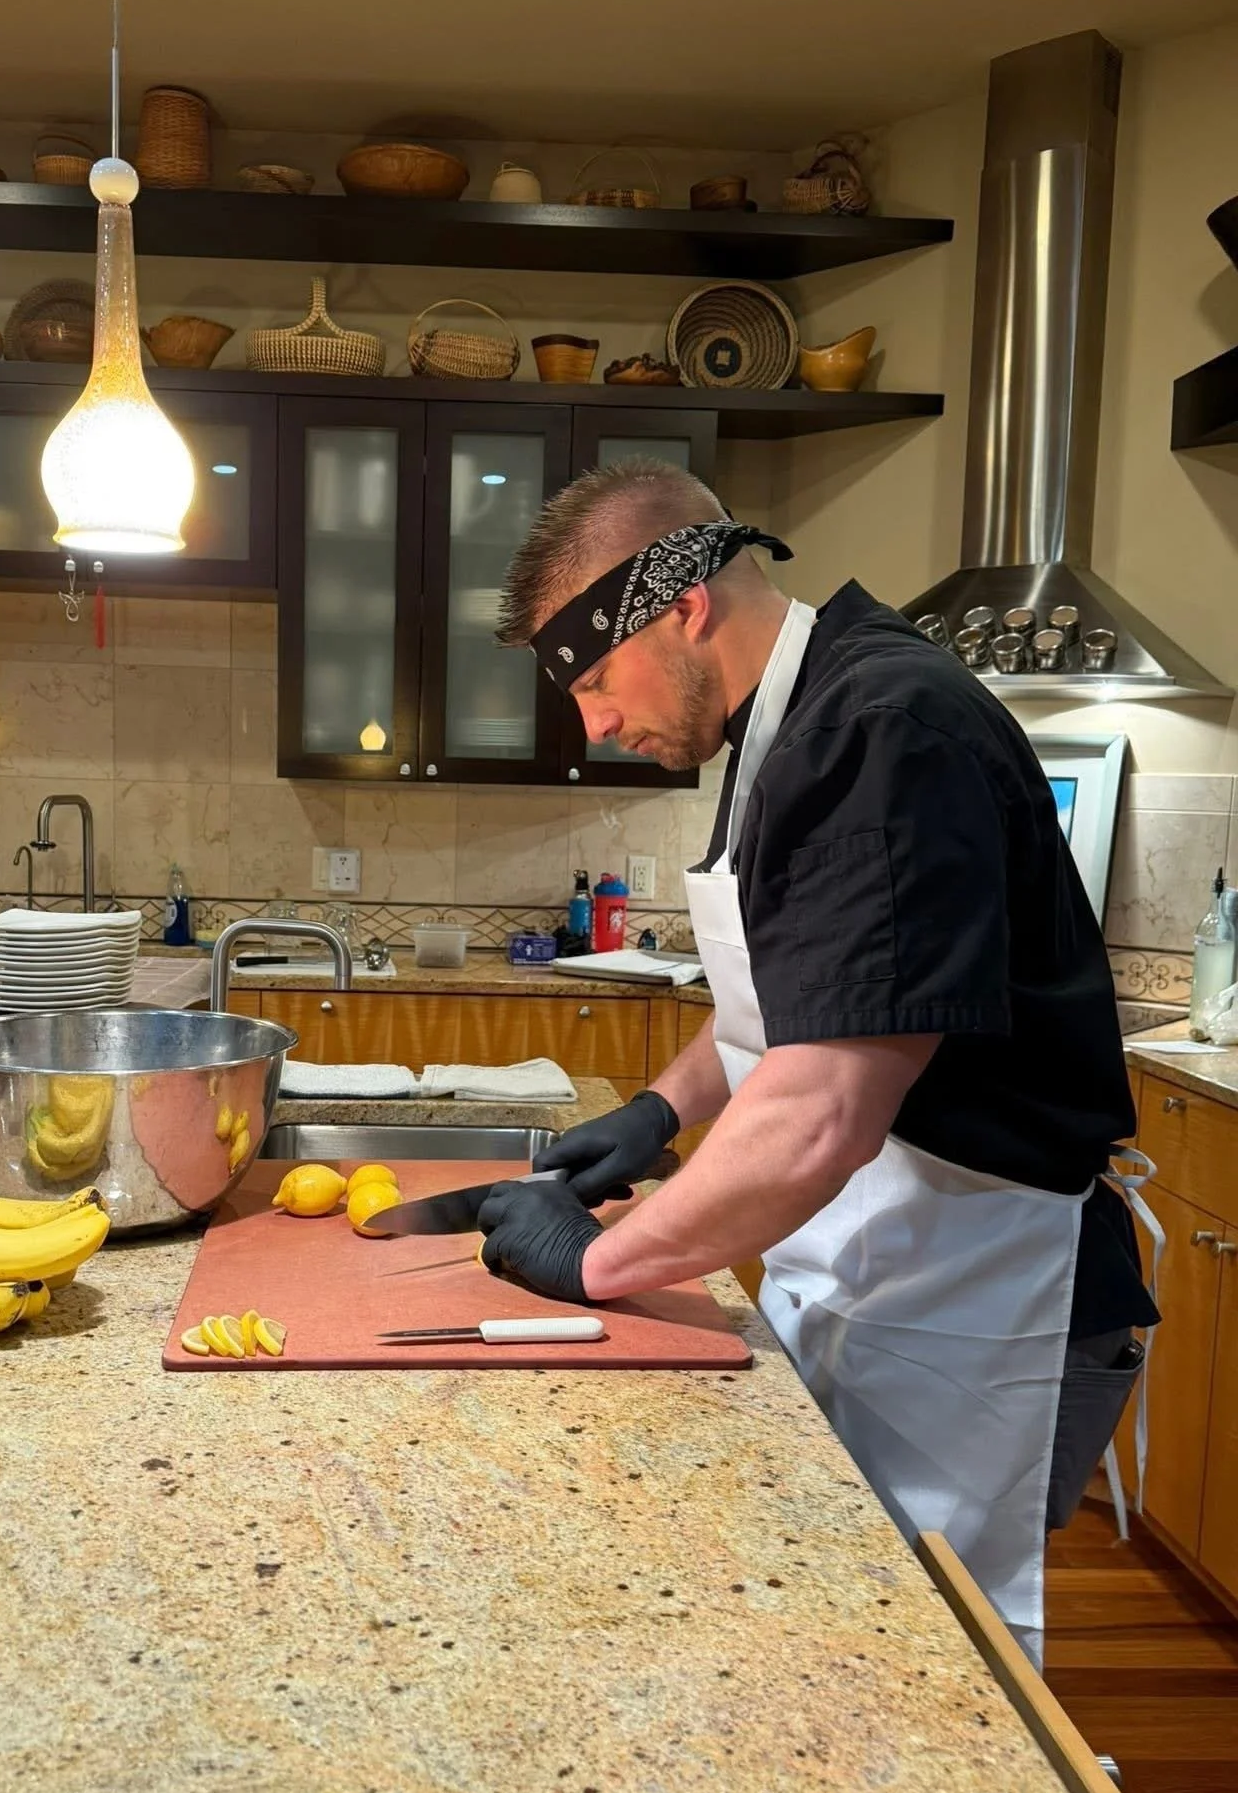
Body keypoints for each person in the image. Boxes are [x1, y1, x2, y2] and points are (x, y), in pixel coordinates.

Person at [478, 457, 1158, 1664]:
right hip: (871, 1270)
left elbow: (824, 1108)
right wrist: (658, 1108)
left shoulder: (884, 727)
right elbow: (803, 994)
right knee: (831, 1637)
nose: (591, 722)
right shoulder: (788, 725)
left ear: (681, 603)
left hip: (974, 1292)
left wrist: (600, 1263)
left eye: (591, 676)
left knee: (931, 1667)